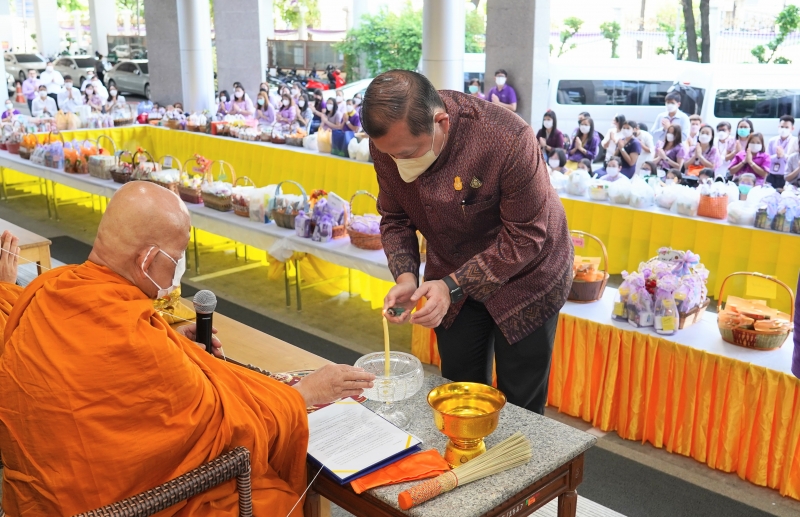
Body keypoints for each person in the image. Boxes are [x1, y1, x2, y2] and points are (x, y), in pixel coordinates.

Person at [0, 182, 375, 516]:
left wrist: (172, 341)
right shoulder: (136, 342)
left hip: (40, 497)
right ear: (147, 261)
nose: (178, 270)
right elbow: (235, 432)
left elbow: (90, 368)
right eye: (177, 259)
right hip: (129, 502)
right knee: (271, 493)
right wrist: (304, 394)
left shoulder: (48, 289)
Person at [361, 70, 573, 415]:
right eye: (391, 155)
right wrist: (407, 278)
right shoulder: (389, 142)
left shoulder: (507, 138)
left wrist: (452, 286)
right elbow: (395, 217)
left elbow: (525, 237)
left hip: (528, 276)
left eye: (408, 152)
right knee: (459, 389)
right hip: (450, 266)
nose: (399, 163)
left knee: (520, 399)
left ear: (441, 121)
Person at [766, 115, 799, 190]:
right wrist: (777, 156)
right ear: (778, 127)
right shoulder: (772, 141)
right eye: (782, 127)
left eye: (787, 127)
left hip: (786, 175)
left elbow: (794, 160)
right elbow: (767, 158)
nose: (783, 129)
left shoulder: (795, 141)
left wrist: (783, 155)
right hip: (772, 174)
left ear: (792, 128)